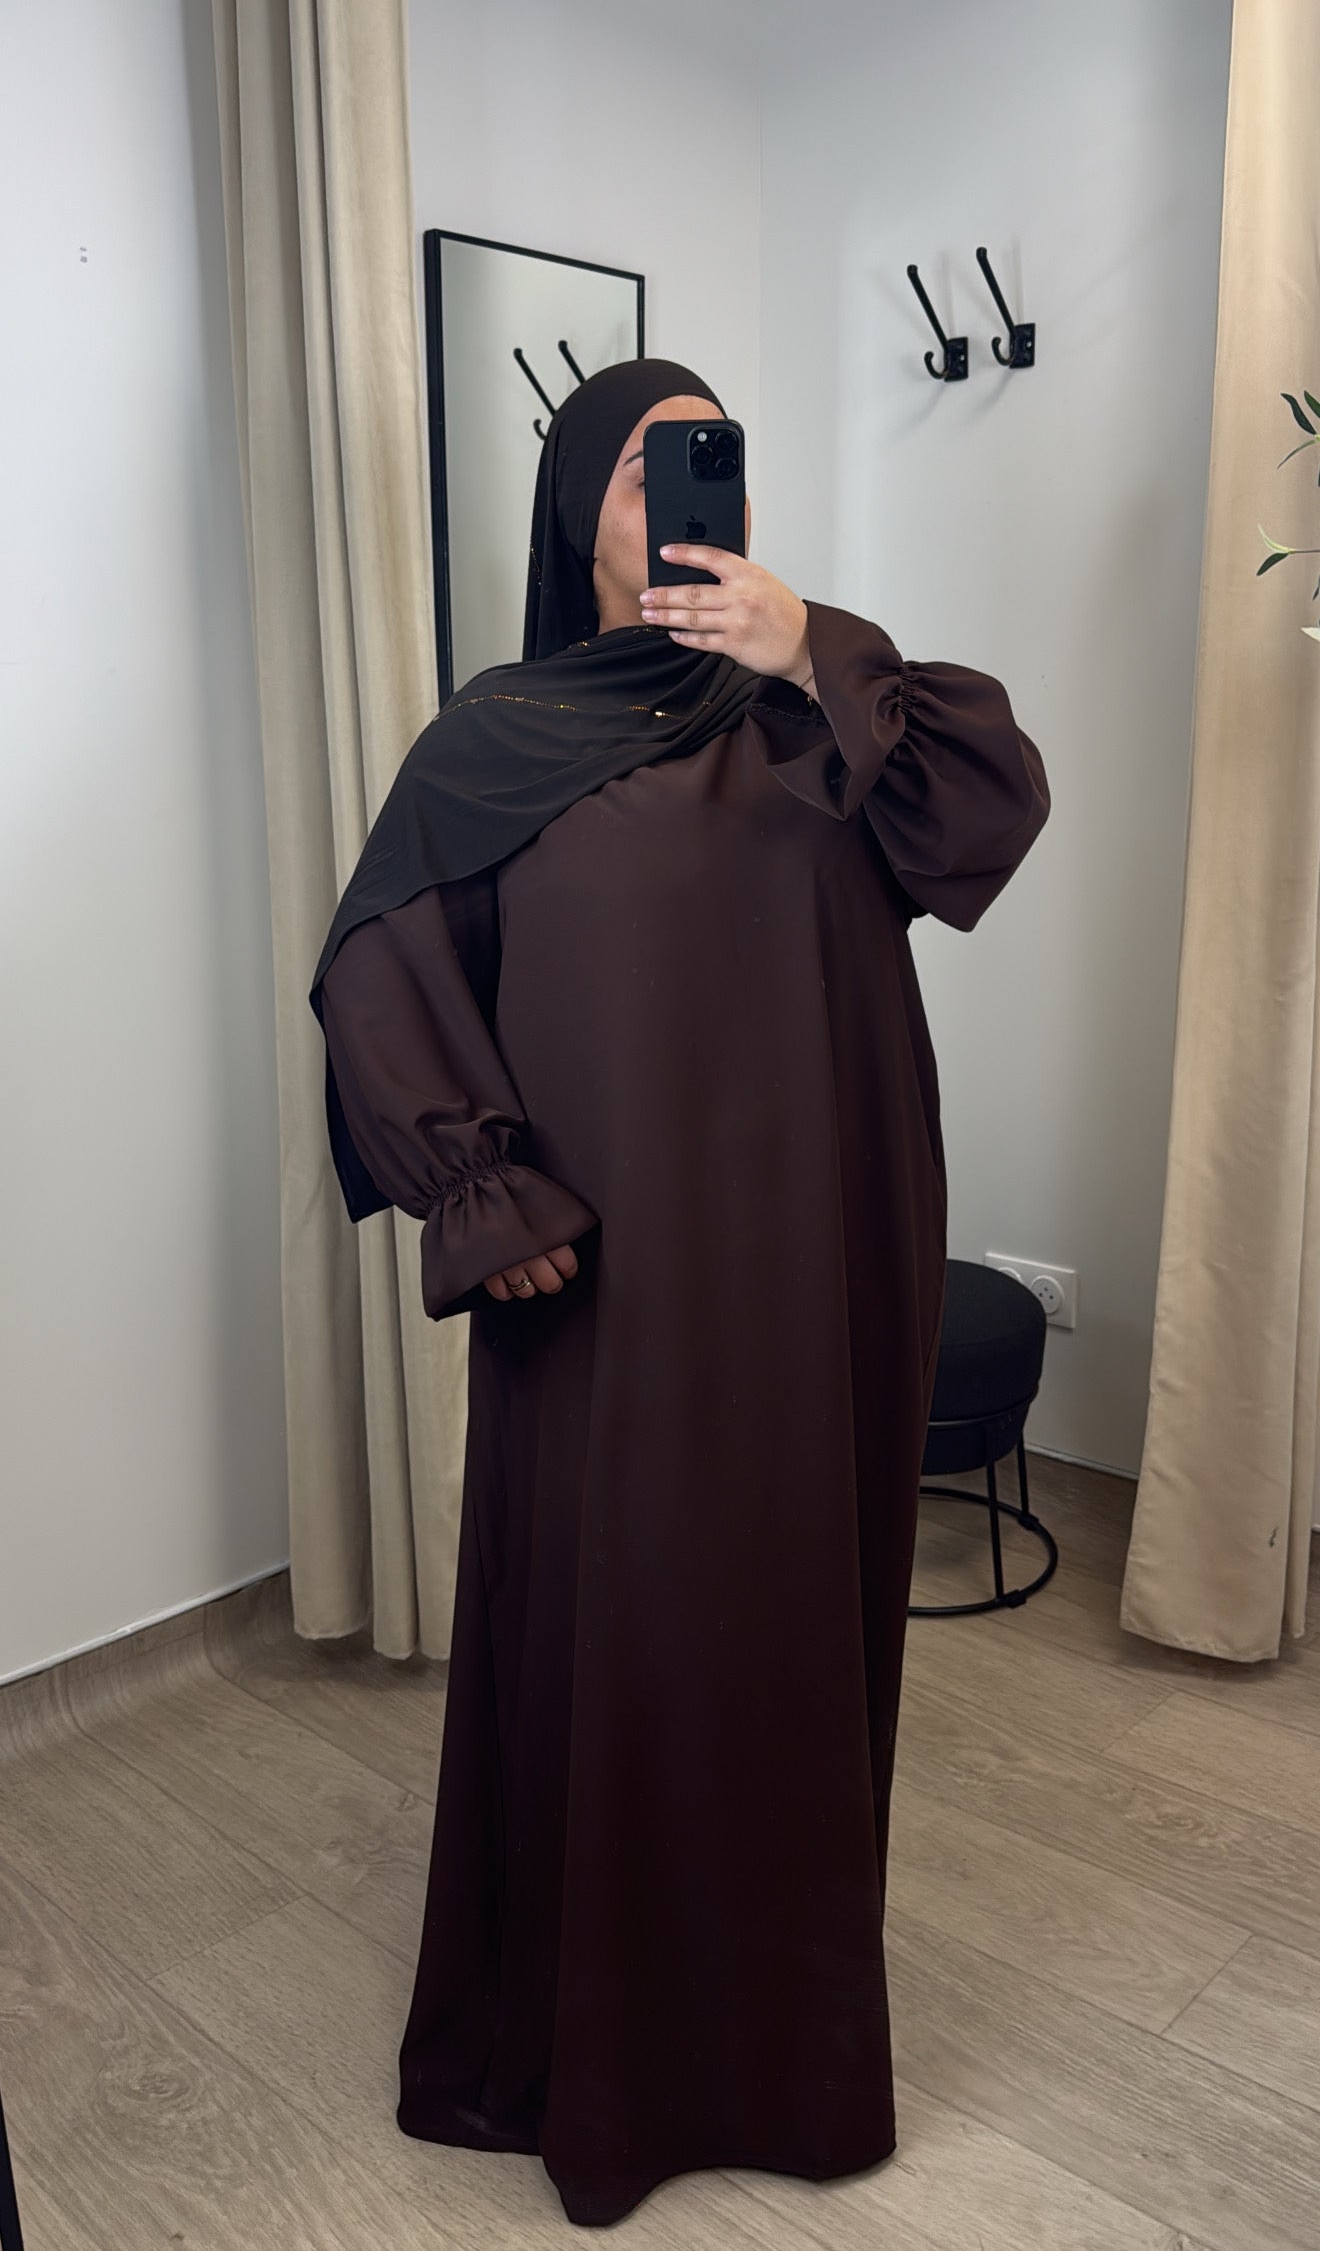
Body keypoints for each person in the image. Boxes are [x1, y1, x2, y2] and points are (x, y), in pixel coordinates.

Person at [308, 356, 1050, 2228]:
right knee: (612, 1628)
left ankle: (786, 2060)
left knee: (788, 1630)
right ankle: (593, 2062)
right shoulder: (491, 741)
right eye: (646, 466)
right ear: (581, 513)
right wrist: (480, 1189)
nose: (686, 492)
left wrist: (816, 646)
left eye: (713, 458)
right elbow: (381, 961)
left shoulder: (824, 716)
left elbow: (986, 814)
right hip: (611, 1291)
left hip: (819, 1262)